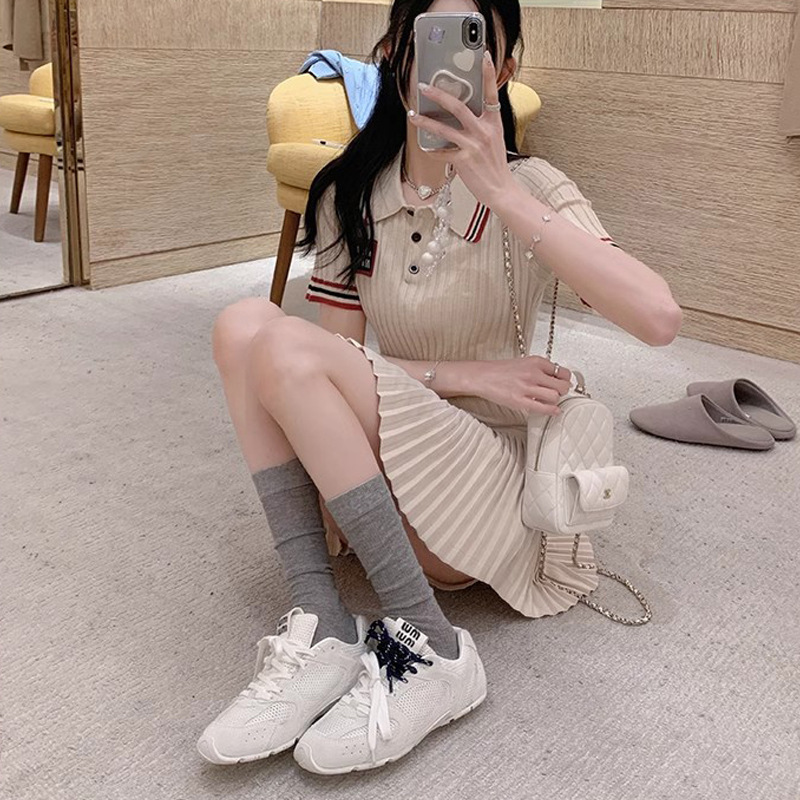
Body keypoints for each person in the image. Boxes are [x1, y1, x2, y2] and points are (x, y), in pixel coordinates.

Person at [198, 0, 682, 775]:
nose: (446, 60)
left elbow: (658, 318)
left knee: (275, 340)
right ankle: (323, 620)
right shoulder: (349, 193)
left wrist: (506, 195)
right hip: (385, 475)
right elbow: (324, 359)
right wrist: (462, 375)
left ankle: (433, 644)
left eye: (473, 41)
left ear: (504, 69)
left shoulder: (533, 185)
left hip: (489, 484)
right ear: (397, 53)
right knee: (243, 326)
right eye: (428, 37)